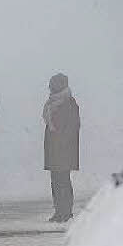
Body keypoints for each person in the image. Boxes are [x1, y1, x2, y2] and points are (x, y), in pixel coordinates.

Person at [43, 73, 80, 223]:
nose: (51, 87)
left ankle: (66, 212)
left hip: (64, 149)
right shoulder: (53, 103)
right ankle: (59, 211)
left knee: (63, 180)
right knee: (56, 180)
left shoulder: (69, 103)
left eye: (53, 84)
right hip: (55, 149)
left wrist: (62, 143)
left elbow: (72, 127)